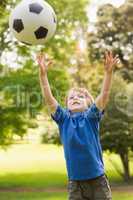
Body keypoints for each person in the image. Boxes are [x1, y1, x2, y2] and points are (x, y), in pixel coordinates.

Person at [37, 51, 119, 200]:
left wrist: (108, 73)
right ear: (67, 105)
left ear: (89, 104)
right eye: (71, 97)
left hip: (97, 181)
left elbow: (104, 96)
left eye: (81, 97)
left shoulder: (91, 117)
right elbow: (49, 99)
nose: (75, 98)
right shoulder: (63, 119)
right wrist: (43, 76)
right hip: (75, 183)